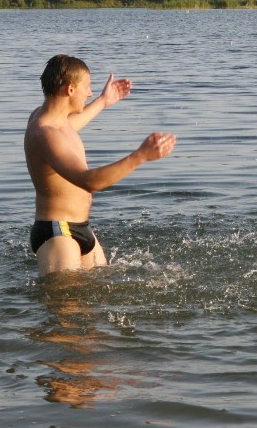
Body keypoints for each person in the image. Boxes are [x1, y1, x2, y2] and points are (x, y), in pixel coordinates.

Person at [25, 54, 176, 276]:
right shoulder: (45, 134)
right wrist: (140, 156)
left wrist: (104, 101)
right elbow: (89, 181)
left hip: (79, 227)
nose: (89, 92)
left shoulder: (55, 122)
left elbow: (73, 124)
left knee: (98, 299)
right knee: (67, 307)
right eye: (87, 86)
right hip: (59, 233)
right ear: (70, 89)